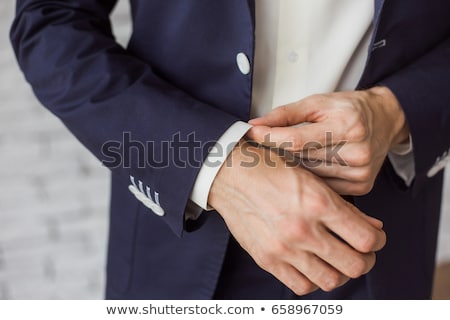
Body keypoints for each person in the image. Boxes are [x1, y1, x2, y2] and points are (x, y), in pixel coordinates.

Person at [10, 0, 450, 299]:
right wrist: (215, 166)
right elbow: (50, 21)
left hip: (381, 232)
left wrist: (395, 111)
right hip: (179, 233)